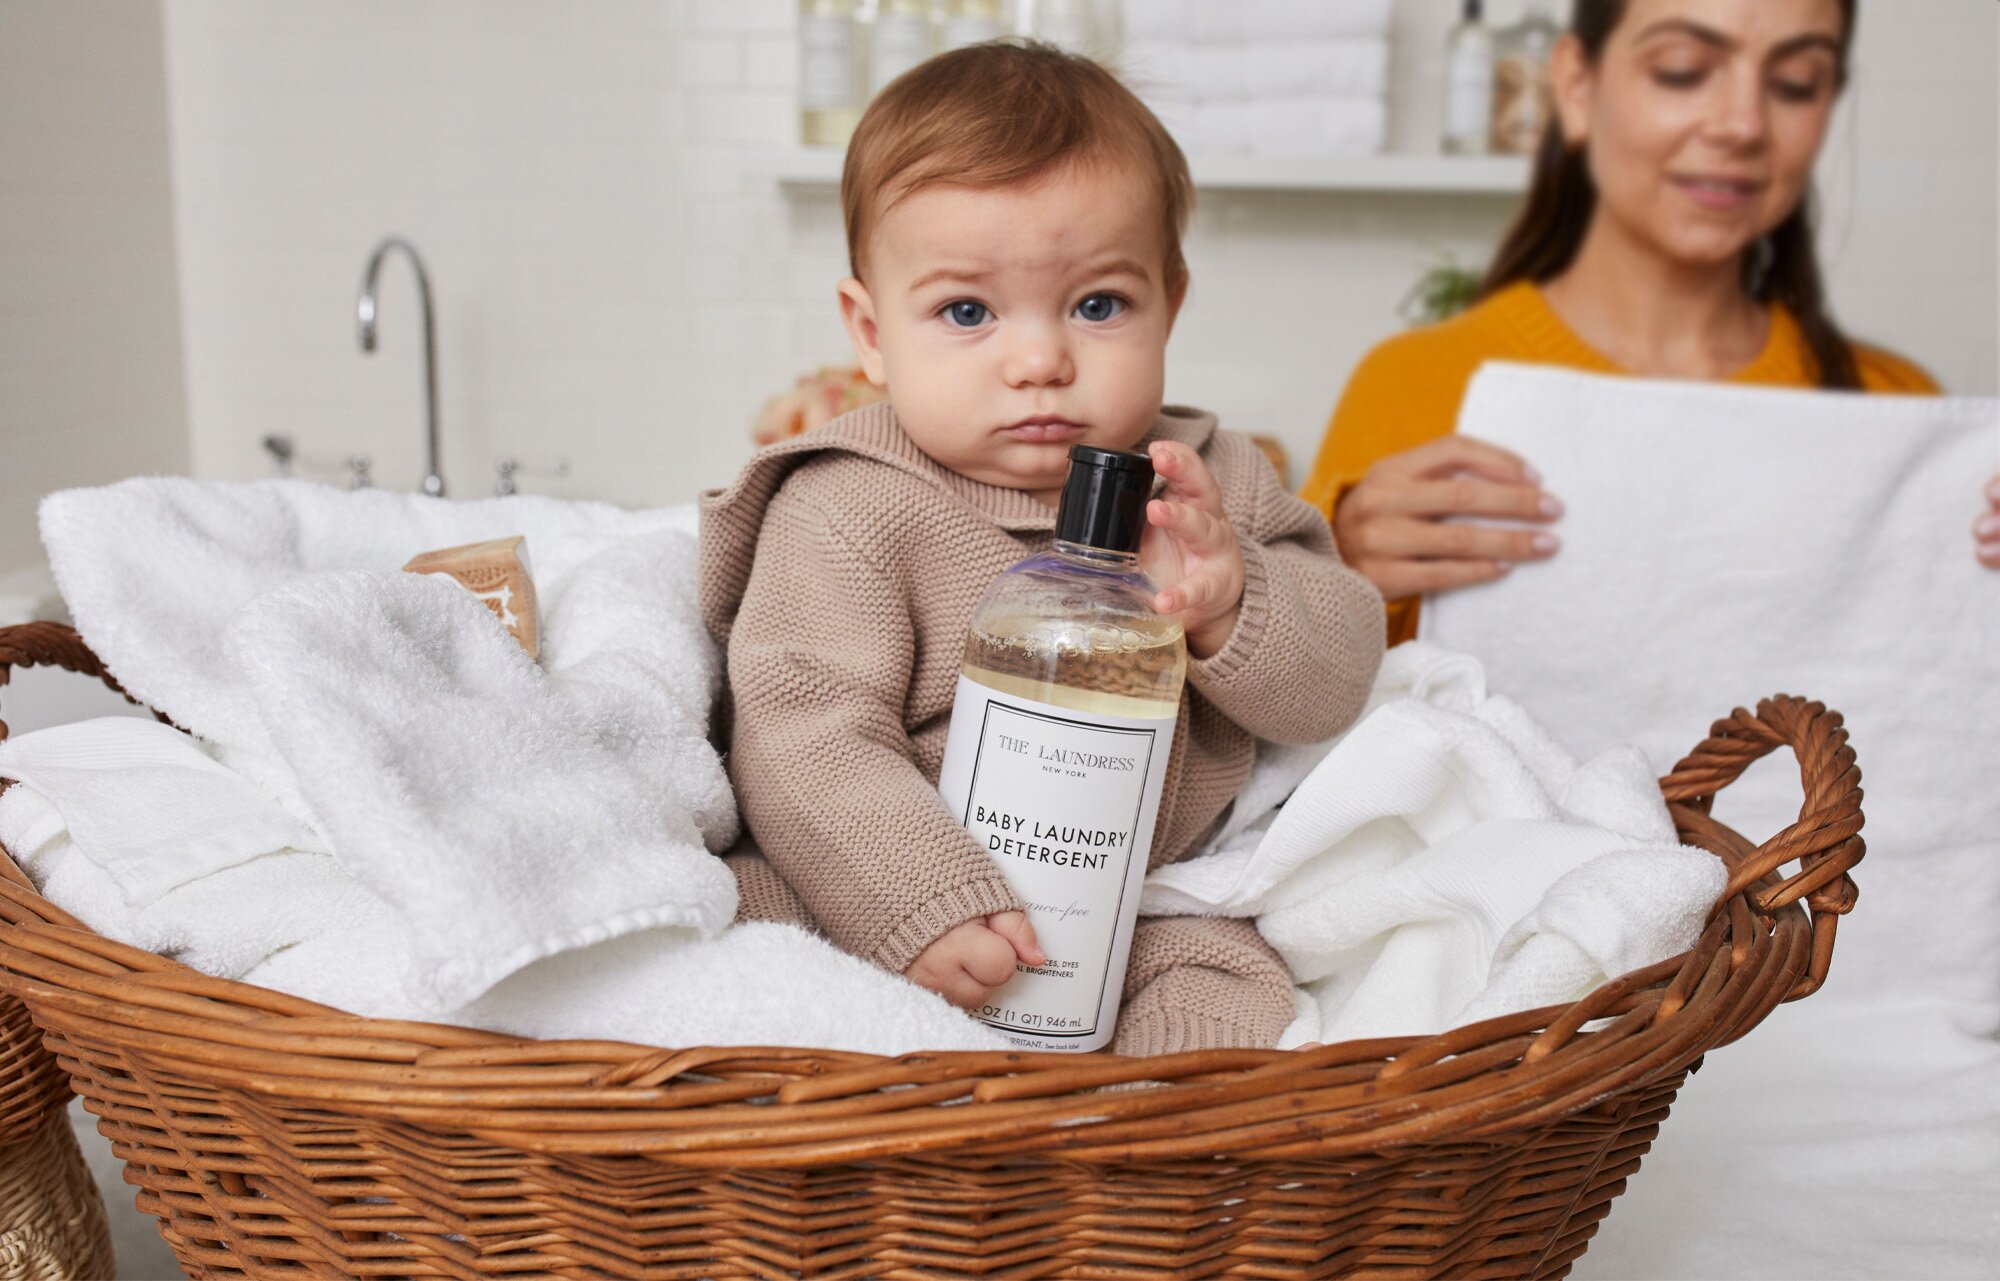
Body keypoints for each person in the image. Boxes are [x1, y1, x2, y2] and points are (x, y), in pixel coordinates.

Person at [698, 42, 1385, 1055]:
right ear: (871, 331)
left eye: (1097, 304)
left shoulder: (1208, 486)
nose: (1039, 361)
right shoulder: (849, 506)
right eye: (965, 312)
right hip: (870, 896)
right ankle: (870, 1137)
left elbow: (1338, 680)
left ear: (1169, 304)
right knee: (747, 935)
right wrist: (917, 898)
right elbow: (802, 732)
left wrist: (1231, 603)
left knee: (1229, 982)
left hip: (1140, 902)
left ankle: (1128, 1158)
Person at [1300, 0, 1989, 647]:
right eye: (1682, 71)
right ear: (1575, 86)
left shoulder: (1898, 413)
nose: (1742, 124)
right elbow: (1286, 745)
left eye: (1796, 83)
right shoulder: (1416, 385)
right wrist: (1337, 578)